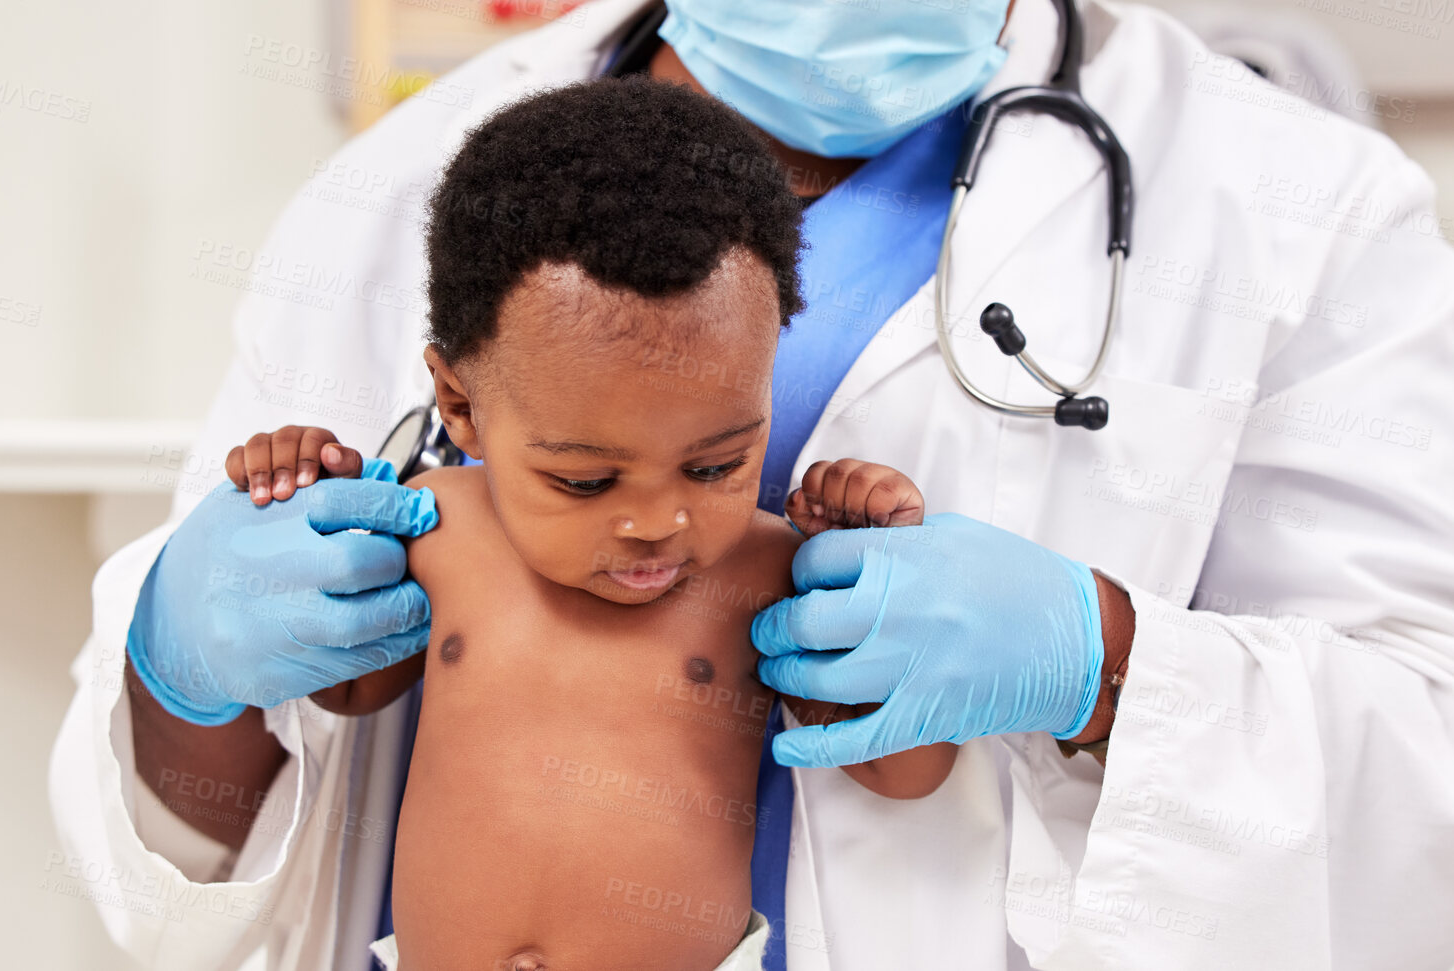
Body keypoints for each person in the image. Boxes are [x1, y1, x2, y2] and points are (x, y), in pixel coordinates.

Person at [51, 0, 1454, 968]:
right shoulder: (404, 183)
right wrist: (184, 664)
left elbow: (1444, 766)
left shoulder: (1291, 205)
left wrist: (1094, 659)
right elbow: (195, 825)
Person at [215, 77, 956, 969]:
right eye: (585, 479)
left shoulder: (764, 573)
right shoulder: (433, 527)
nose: (657, 520)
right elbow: (343, 692)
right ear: (460, 404)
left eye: (716, 465)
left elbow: (905, 771)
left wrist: (879, 572)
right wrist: (296, 499)